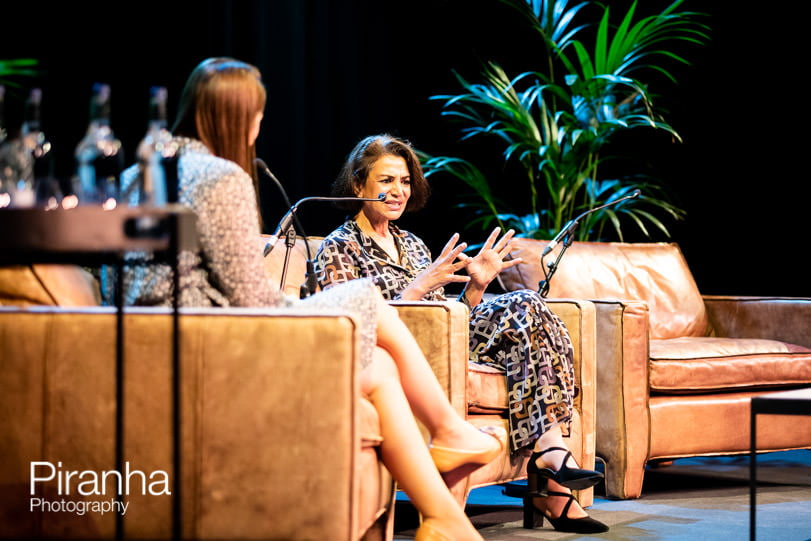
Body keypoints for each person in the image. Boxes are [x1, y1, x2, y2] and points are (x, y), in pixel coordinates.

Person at [104, 58, 502, 540]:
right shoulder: (219, 178)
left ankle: (442, 518)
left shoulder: (133, 176)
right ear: (236, 117)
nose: (257, 129)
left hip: (152, 339)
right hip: (210, 341)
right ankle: (450, 432)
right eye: (256, 117)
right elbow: (250, 299)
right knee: (365, 298)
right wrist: (302, 306)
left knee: (377, 365)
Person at [315, 133, 610, 534]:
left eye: (404, 181)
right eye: (386, 181)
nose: (398, 191)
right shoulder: (339, 247)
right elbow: (346, 326)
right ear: (357, 185)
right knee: (523, 307)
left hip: (445, 345)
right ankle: (553, 477)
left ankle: (552, 458)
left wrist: (476, 287)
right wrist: (416, 288)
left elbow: (451, 322)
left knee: (530, 306)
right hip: (397, 355)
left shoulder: (413, 245)